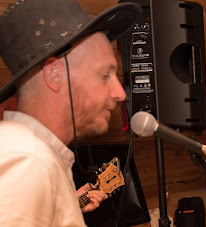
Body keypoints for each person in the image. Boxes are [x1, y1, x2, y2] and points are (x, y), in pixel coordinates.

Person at [0, 0, 141, 226]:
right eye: (105, 75)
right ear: (55, 75)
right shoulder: (27, 160)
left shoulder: (37, 155)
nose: (120, 93)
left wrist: (68, 207)